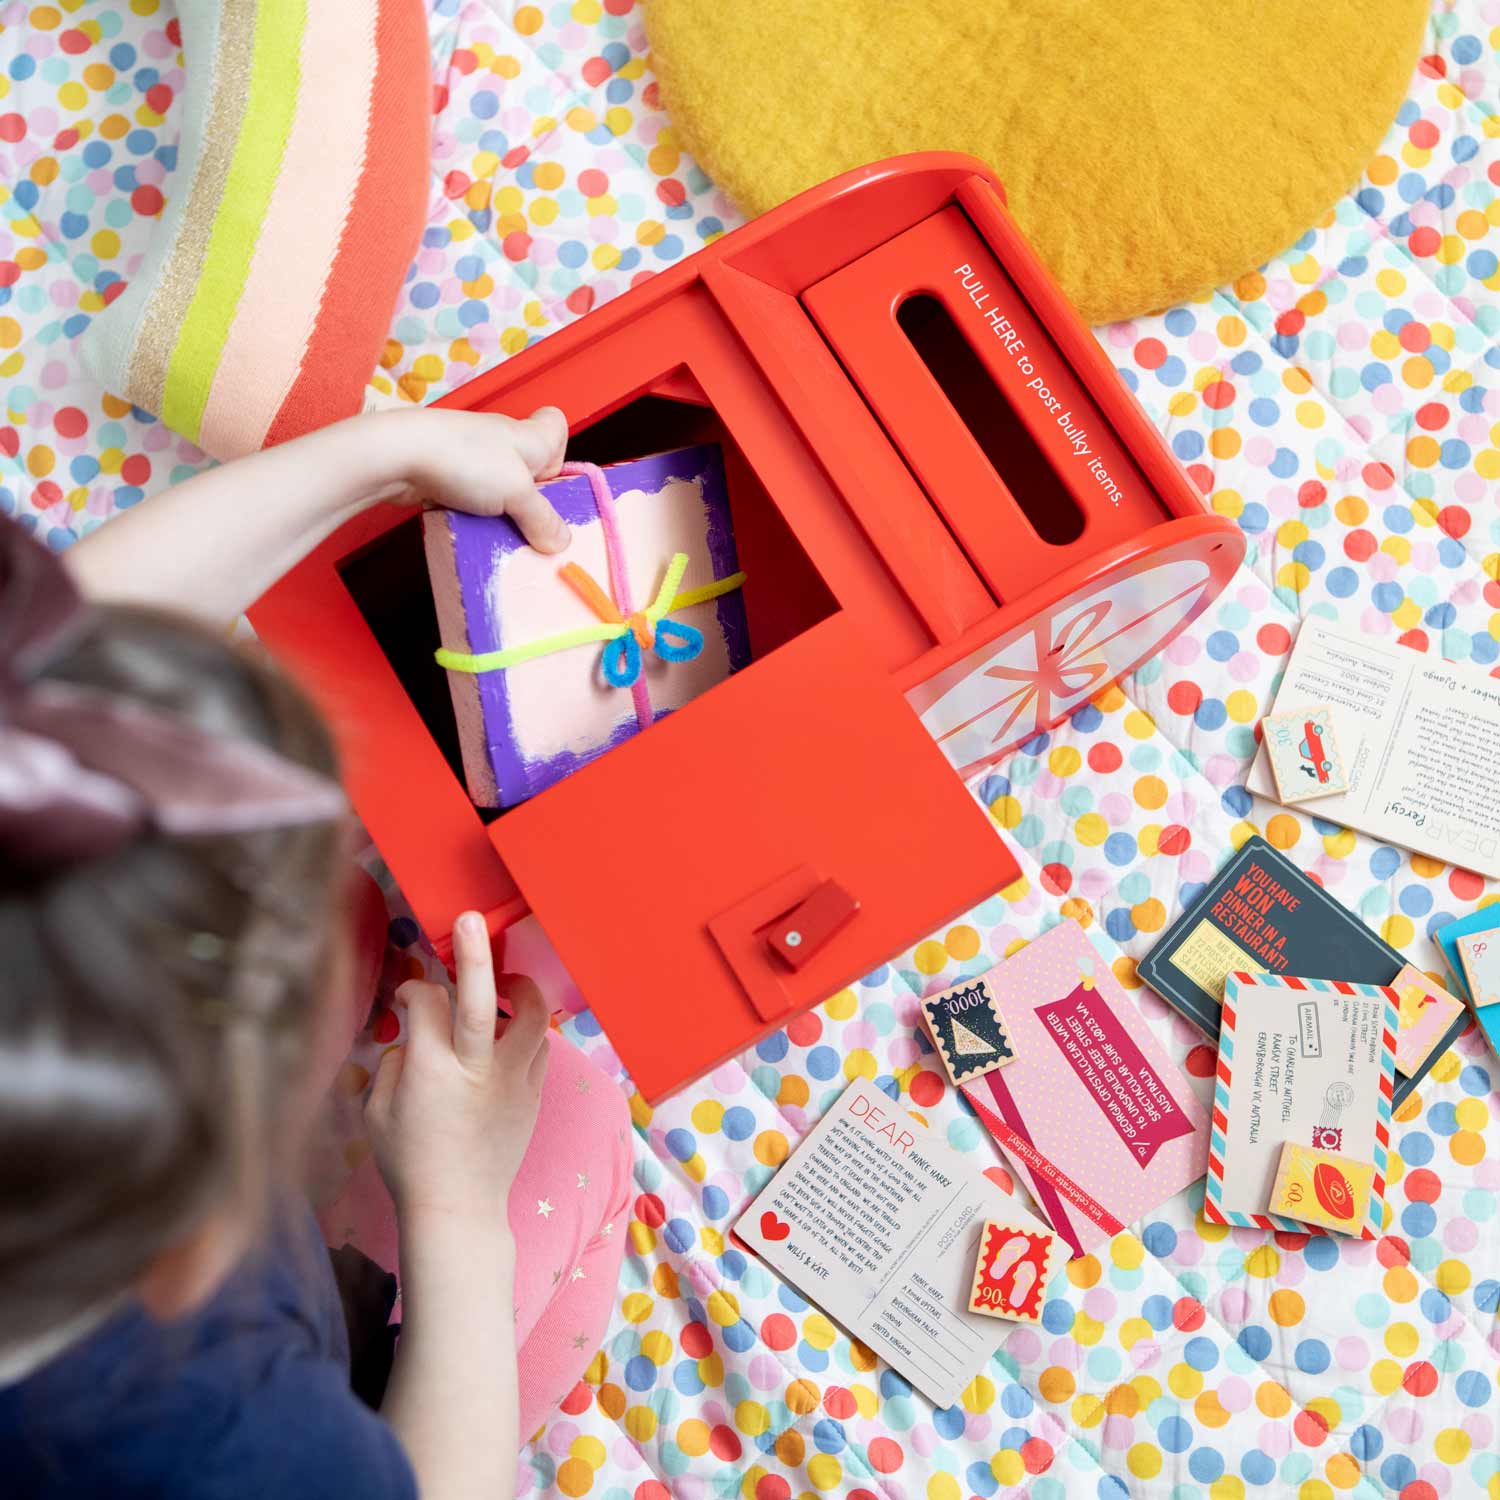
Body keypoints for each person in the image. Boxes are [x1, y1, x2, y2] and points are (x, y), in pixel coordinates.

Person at [0, 407, 633, 1498]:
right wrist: (455, 1207)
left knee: (342, 917)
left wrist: (379, 452)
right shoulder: (204, 1426)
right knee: (576, 1119)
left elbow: (50, 663)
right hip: (359, 1423)